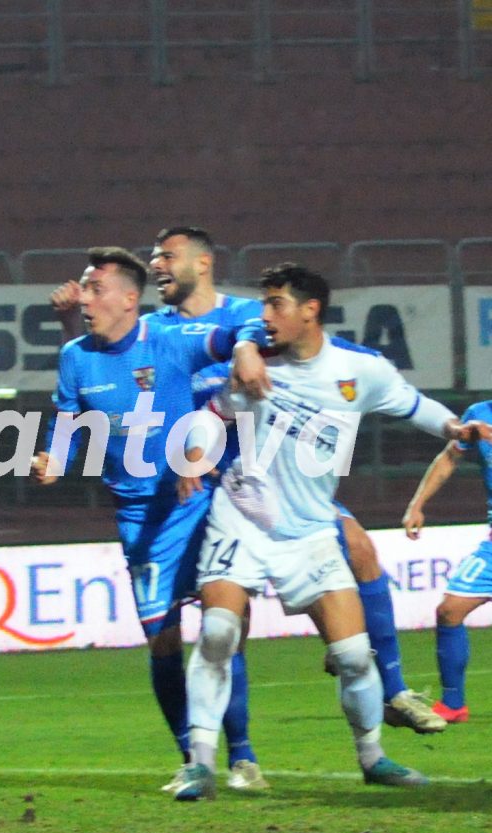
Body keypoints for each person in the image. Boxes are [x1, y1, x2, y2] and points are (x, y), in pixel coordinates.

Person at [172, 263, 490, 801]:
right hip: (242, 517)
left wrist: (452, 427)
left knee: (353, 655)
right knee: (219, 633)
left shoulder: (359, 371)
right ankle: (200, 764)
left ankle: (373, 758)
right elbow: (213, 413)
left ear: (310, 310)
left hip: (311, 532)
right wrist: (194, 454)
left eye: (275, 304)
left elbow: (414, 405)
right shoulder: (256, 364)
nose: (264, 315)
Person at [149, 227, 444, 734]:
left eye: (166, 255)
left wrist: (247, 346)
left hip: (274, 477)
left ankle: (391, 690)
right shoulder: (153, 330)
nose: (156, 264)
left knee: (358, 546)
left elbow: (314, 350)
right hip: (206, 479)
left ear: (202, 263)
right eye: (153, 257)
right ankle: (236, 752)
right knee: (223, 625)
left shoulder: (250, 315)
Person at [31, 246, 268, 790]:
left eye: (95, 289)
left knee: (222, 626)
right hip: (139, 517)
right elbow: (66, 423)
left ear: (129, 299)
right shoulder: (75, 356)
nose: (84, 298)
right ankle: (192, 759)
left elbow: (242, 329)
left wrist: (247, 349)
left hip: (197, 500)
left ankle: (243, 756)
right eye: (84, 289)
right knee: (163, 641)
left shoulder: (168, 340)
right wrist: (54, 459)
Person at [402, 398, 492, 724]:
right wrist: (417, 505)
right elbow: (449, 458)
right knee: (450, 610)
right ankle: (453, 704)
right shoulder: (479, 414)